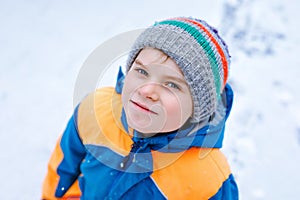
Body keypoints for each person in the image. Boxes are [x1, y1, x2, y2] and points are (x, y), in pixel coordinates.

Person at [42, 17, 239, 199]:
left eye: (172, 85)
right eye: (142, 71)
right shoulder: (95, 112)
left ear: (198, 109)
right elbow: (63, 167)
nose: (146, 90)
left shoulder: (210, 181)